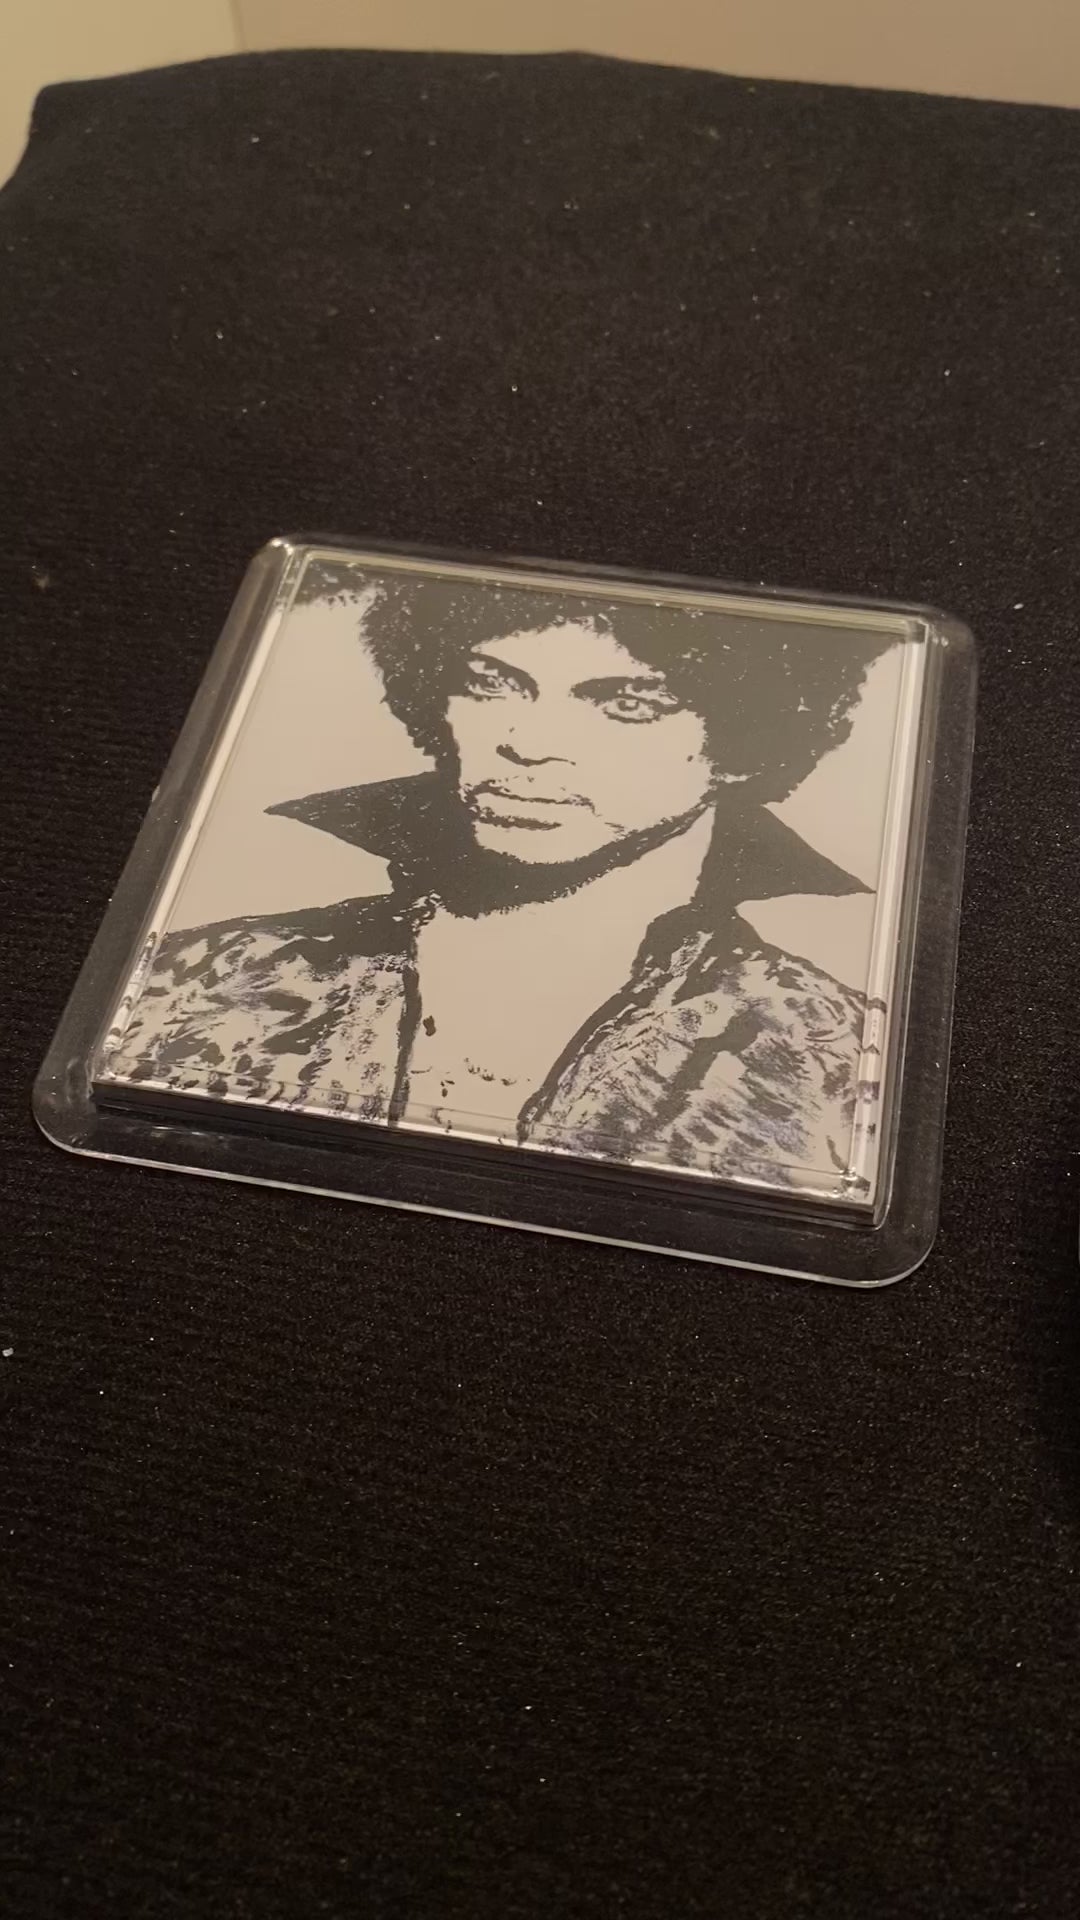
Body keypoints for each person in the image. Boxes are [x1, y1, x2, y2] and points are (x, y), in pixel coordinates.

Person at [105, 574, 889, 1191]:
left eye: (627, 703)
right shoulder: (194, 979)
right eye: (489, 683)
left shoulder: (833, 1058)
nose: (527, 743)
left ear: (746, 744)